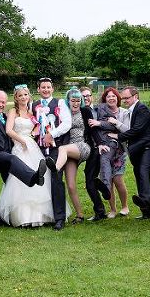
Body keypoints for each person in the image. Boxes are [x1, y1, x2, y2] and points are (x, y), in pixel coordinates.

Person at [0, 88, 59, 227]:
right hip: (19, 146)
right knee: (18, 179)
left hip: (32, 146)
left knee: (40, 175)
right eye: (20, 95)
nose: (23, 97)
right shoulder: (12, 112)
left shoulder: (32, 113)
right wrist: (21, 141)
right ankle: (20, 216)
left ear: (29, 96)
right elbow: (9, 130)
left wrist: (34, 134)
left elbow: (36, 127)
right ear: (16, 98)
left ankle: (40, 214)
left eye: (26, 95)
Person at [49, 87, 96, 224]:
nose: (75, 103)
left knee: (62, 149)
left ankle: (56, 168)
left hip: (82, 146)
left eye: (78, 100)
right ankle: (80, 215)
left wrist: (99, 144)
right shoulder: (64, 113)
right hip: (69, 151)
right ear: (67, 101)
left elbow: (93, 130)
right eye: (72, 100)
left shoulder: (85, 111)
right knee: (70, 185)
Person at [111, 86, 150, 219]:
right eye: (123, 98)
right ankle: (149, 212)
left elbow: (137, 130)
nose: (125, 100)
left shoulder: (142, 109)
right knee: (139, 176)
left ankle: (144, 200)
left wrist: (118, 137)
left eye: (127, 98)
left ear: (135, 96)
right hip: (138, 149)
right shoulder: (131, 111)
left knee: (143, 173)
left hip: (148, 148)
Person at [33, 77, 72, 230]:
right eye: (43, 87)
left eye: (48, 87)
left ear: (52, 89)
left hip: (56, 147)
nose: (46, 89)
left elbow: (67, 123)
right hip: (38, 148)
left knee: (56, 178)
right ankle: (40, 215)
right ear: (38, 89)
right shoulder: (33, 104)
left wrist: (52, 134)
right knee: (39, 178)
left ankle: (59, 218)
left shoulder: (60, 103)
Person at [89, 87, 130, 218]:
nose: (111, 98)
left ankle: (125, 206)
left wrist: (115, 126)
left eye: (113, 96)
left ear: (118, 98)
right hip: (105, 148)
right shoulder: (101, 110)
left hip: (119, 150)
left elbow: (127, 131)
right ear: (105, 99)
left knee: (118, 179)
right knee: (107, 179)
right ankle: (112, 209)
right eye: (108, 96)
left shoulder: (124, 112)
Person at [80, 86, 108, 221]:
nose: (86, 98)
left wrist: (100, 144)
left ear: (92, 96)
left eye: (88, 95)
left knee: (89, 179)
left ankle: (100, 210)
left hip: (96, 147)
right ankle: (102, 190)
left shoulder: (94, 110)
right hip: (90, 147)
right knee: (89, 176)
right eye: (83, 96)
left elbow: (93, 130)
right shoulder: (80, 110)